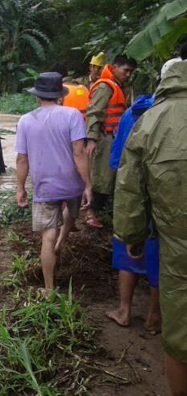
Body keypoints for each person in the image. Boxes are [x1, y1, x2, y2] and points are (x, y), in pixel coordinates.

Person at [114, 62, 187, 396]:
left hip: (176, 247)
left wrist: (131, 234)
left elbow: (129, 186)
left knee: (180, 336)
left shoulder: (150, 120)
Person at [15, 72, 92, 294]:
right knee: (70, 213)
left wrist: (20, 189)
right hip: (72, 184)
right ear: (60, 95)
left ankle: (49, 289)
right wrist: (88, 185)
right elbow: (79, 153)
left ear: (37, 96)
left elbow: (22, 159)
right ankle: (63, 240)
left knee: (47, 237)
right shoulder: (73, 115)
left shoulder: (25, 120)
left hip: (44, 187)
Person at [105, 94, 160, 334]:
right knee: (161, 254)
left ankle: (124, 311)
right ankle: (154, 316)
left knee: (128, 247)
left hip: (131, 191)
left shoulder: (132, 112)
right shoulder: (177, 112)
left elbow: (116, 160)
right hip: (166, 195)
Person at [84, 54, 136, 228]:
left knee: (109, 177)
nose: (128, 75)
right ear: (114, 67)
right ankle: (90, 213)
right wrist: (91, 139)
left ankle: (99, 212)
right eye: (126, 70)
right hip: (104, 138)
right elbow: (94, 113)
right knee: (100, 177)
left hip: (115, 138)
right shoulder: (105, 87)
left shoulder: (119, 87)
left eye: (131, 72)